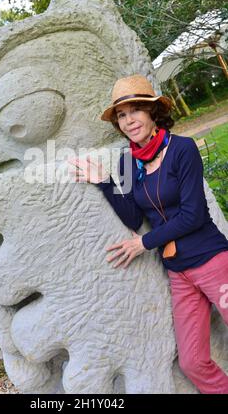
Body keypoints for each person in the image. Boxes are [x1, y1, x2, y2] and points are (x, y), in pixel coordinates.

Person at [68, 74, 228, 394]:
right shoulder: (127, 162)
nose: (129, 121)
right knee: (193, 362)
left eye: (135, 111)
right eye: (122, 116)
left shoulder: (182, 149)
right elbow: (132, 215)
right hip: (178, 273)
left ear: (152, 112)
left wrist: (144, 243)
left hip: (213, 261)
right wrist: (104, 181)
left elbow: (193, 215)